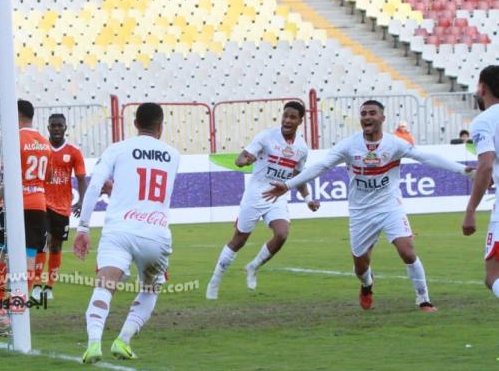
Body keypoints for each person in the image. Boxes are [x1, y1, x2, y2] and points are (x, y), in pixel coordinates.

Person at [264, 100, 473, 312]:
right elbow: (321, 165)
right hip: (361, 212)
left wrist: (464, 170)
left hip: (390, 206)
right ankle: (367, 285)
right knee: (360, 266)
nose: (367, 117)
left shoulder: (394, 144)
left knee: (407, 251)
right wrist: (288, 185)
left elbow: (425, 157)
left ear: (382, 118)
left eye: (372, 113)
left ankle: (424, 300)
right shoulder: (349, 145)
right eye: (363, 113)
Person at [74, 102, 180, 363]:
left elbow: (95, 184)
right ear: (161, 126)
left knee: (104, 286)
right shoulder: (173, 155)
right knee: (151, 288)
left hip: (119, 230)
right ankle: (124, 339)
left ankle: (93, 344)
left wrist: (83, 227)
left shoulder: (118, 149)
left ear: (135, 124)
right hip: (154, 233)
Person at [206, 101, 320, 300]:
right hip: (256, 195)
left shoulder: (301, 147)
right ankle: (215, 279)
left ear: (300, 121)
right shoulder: (267, 137)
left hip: (277, 196)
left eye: (293, 117)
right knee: (239, 240)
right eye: (285, 115)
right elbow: (242, 157)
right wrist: (244, 161)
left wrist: (308, 199)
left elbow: (298, 177)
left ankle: (253, 266)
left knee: (282, 234)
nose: (287, 120)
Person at [0, 100, 51, 323]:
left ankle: (0, 306)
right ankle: (17, 309)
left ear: (16, 115)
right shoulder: (44, 143)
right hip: (38, 205)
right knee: (30, 258)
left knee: (1, 252)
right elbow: (47, 178)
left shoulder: (13, 139)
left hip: (13, 205)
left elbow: (6, 178)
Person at [31, 113, 87, 301]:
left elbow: (80, 179)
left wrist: (81, 201)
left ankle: (49, 287)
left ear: (65, 128)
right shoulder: (41, 148)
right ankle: (36, 285)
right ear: (48, 128)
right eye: (53, 126)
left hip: (62, 206)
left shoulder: (73, 152)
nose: (56, 129)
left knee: (55, 246)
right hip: (41, 202)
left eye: (59, 126)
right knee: (41, 242)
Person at [462, 65, 499, 299]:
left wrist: (470, 211)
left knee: (493, 276)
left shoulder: (484, 121)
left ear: (482, 87)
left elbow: (486, 165)